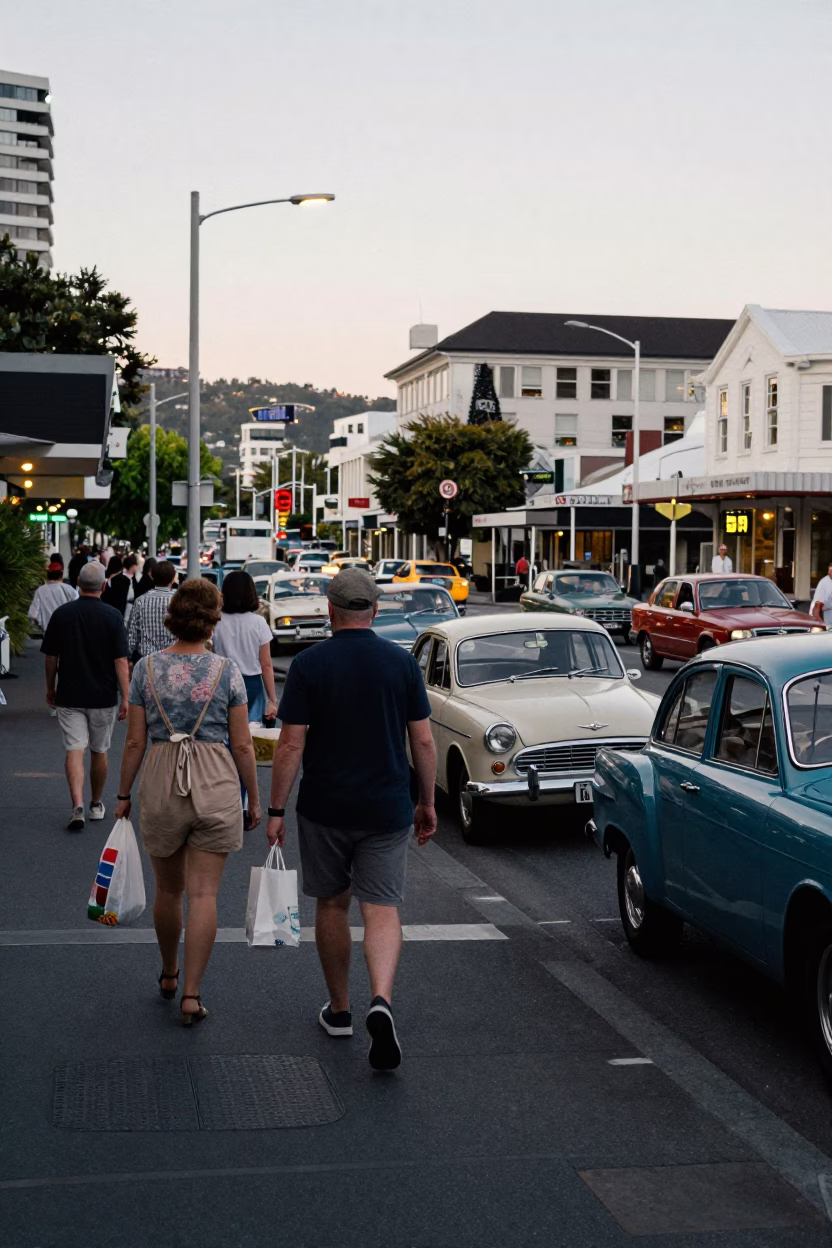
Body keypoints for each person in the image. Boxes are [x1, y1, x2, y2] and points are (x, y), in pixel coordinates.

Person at [266, 568, 437, 1071]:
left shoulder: (310, 663)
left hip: (325, 807)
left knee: (333, 904)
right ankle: (380, 1001)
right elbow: (423, 740)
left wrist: (276, 810)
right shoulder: (400, 664)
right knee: (381, 908)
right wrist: (426, 802)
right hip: (386, 806)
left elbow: (291, 743)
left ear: (330, 610)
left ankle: (339, 1010)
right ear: (375, 611)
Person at [114, 579, 261, 1024]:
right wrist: (255, 798)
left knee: (169, 890)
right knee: (204, 894)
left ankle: (169, 972)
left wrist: (122, 794)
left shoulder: (146, 669)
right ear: (212, 620)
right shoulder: (227, 671)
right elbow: (242, 746)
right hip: (215, 780)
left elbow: (135, 742)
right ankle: (193, 995)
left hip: (161, 778)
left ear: (173, 617)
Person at [41, 561, 129, 831]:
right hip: (103, 695)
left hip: (69, 693)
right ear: (103, 586)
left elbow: (51, 657)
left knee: (74, 749)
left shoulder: (62, 614)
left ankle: (77, 805)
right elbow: (120, 661)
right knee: (99, 750)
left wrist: (51, 687)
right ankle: (96, 803)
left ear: (78, 584)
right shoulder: (113, 616)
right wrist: (125, 696)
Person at [211, 570, 277, 725]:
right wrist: (272, 700)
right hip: (251, 683)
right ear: (251, 593)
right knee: (250, 732)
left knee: (225, 729)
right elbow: (266, 664)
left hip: (222, 682)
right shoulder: (259, 623)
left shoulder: (215, 621)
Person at [127, 559, 178, 661]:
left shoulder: (140, 601)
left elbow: (131, 637)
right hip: (172, 661)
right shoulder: (178, 601)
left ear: (153, 577)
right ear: (172, 579)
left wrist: (130, 657)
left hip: (146, 661)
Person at [28, 561, 78, 632]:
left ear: (48, 574)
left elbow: (33, 615)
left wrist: (39, 624)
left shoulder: (41, 590)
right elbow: (78, 609)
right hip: (67, 632)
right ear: (61, 574)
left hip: (48, 633)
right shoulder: (69, 589)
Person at [103, 553, 140, 625]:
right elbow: (130, 601)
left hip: (106, 618)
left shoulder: (104, 581)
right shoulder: (126, 581)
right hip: (121, 618)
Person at [811, 561, 832, 628]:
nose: (829, 573)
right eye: (829, 570)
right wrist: (817, 618)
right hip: (829, 614)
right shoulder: (824, 582)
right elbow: (818, 603)